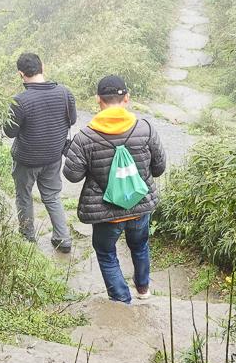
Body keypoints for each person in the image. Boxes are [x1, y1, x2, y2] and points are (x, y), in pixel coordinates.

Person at [63, 75, 167, 303]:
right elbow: (159, 168)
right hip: (139, 205)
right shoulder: (145, 129)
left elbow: (72, 175)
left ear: (98, 100)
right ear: (127, 98)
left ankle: (121, 300)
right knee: (139, 246)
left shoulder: (85, 137)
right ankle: (143, 289)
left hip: (106, 212)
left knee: (106, 252)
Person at [4, 52, 77, 253]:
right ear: (42, 66)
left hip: (26, 160)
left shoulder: (20, 100)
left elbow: (9, 132)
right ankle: (63, 239)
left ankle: (28, 239)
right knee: (52, 196)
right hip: (53, 156)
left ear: (21, 74)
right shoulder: (65, 93)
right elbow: (72, 120)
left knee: (24, 196)